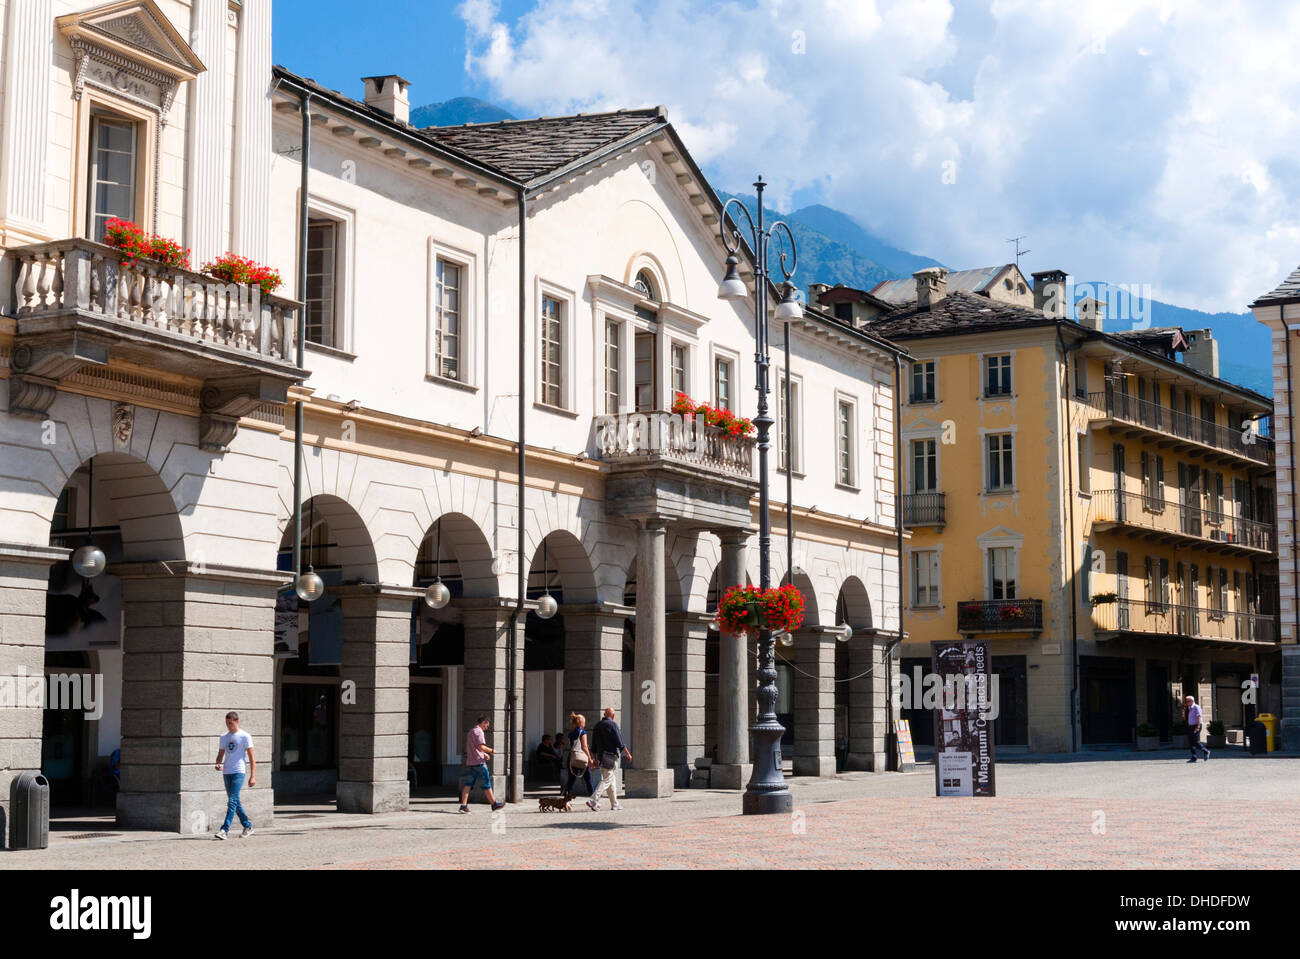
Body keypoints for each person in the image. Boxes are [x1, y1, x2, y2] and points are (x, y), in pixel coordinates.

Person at [214, 711, 255, 840]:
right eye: (226, 723)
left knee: (232, 801)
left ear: (236, 722)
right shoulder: (224, 737)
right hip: (227, 772)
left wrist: (252, 776)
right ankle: (248, 826)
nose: (228, 726)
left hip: (239, 771)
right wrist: (218, 763)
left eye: (230, 723)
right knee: (235, 802)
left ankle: (224, 830)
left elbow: (252, 758)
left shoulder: (245, 736)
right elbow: (220, 754)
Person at [588, 705, 632, 811]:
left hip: (600, 756)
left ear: (604, 715)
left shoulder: (597, 725)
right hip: (610, 757)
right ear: (613, 715)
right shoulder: (612, 724)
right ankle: (593, 799)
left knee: (612, 781)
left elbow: (593, 744)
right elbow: (619, 742)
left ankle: (615, 804)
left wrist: (593, 758)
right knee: (607, 780)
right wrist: (628, 754)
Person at [460, 714, 506, 813]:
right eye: (487, 725)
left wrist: (484, 754)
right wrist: (492, 750)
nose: (487, 727)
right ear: (483, 722)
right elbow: (481, 746)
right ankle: (494, 804)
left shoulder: (471, 731)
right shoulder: (479, 732)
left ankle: (463, 806)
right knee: (486, 784)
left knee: (468, 784)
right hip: (479, 763)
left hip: (471, 762)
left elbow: (474, 747)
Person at [561, 712, 595, 800]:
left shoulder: (570, 733)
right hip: (581, 758)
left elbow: (571, 745)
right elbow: (584, 747)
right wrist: (590, 759)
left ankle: (565, 797)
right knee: (588, 779)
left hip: (572, 758)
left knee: (571, 780)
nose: (585, 723)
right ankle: (593, 798)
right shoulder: (583, 732)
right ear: (581, 723)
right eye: (584, 722)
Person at [1184, 695, 1211, 763]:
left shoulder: (1196, 707)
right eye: (1186, 701)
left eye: (1188, 701)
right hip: (1191, 726)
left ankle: (1206, 751)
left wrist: (1198, 726)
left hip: (1196, 725)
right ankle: (1194, 757)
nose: (1187, 702)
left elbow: (1199, 717)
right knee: (1191, 742)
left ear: (1192, 701)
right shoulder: (1189, 707)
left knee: (1195, 741)